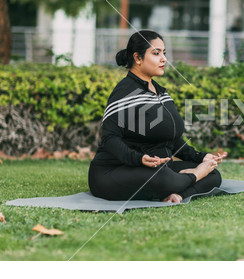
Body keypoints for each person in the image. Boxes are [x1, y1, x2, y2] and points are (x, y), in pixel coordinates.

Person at [88, 30, 227, 203]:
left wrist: (201, 157)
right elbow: (110, 139)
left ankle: (177, 195)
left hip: (158, 167)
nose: (163, 59)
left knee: (213, 173)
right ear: (138, 58)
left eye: (164, 53)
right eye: (156, 53)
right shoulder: (125, 92)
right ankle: (192, 177)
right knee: (165, 176)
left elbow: (171, 139)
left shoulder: (160, 92)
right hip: (114, 172)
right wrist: (138, 158)